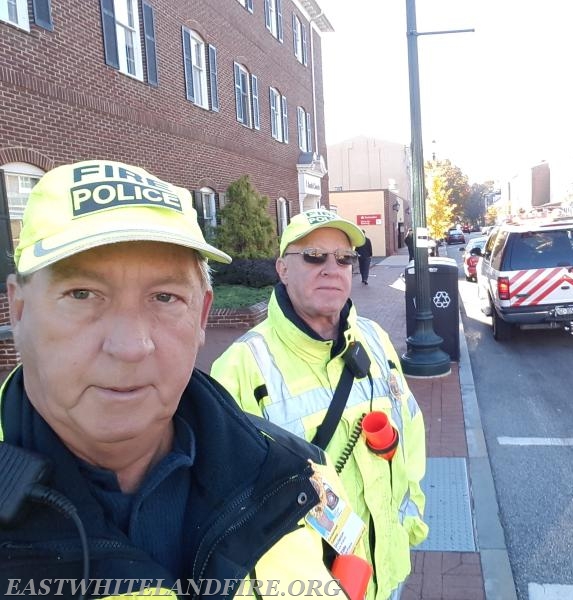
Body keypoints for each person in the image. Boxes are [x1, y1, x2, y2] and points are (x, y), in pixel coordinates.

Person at [0, 161, 349, 599]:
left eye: (165, 297)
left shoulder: (299, 480)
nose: (130, 346)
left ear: (202, 315)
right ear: (19, 310)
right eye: (82, 294)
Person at [211, 209, 428, 600]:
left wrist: (407, 528)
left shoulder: (376, 340)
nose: (332, 268)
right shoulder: (239, 368)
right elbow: (226, 516)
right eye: (314, 256)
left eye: (344, 258)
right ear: (282, 269)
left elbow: (410, 435)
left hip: (387, 573)